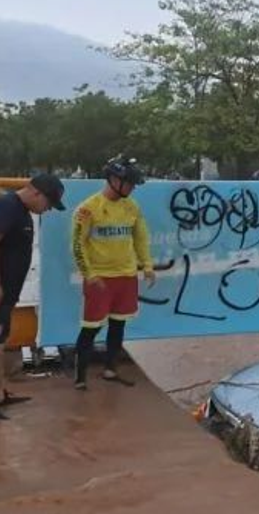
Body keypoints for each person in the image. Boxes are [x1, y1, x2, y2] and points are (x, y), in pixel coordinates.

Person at [0, 174, 66, 420]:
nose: (48, 209)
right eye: (49, 204)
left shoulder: (20, 211)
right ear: (37, 193)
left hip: (3, 295)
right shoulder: (6, 207)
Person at [71, 155, 154, 390]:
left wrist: (146, 265)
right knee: (91, 327)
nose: (132, 188)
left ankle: (110, 369)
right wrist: (88, 274)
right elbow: (77, 244)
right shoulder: (88, 208)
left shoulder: (132, 207)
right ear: (113, 179)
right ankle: (80, 377)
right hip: (100, 278)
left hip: (126, 276)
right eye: (129, 183)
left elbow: (141, 237)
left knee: (119, 325)